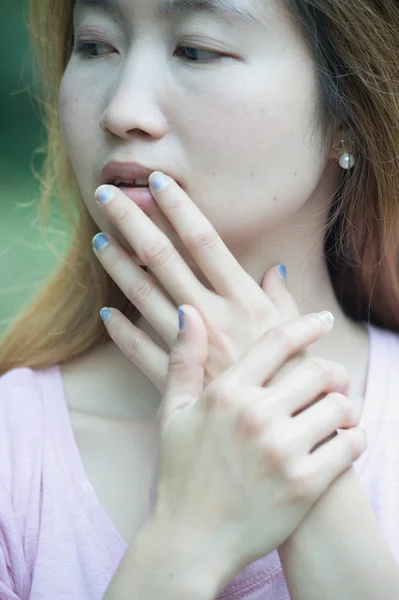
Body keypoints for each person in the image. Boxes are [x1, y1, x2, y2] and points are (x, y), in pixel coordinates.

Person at [0, 0, 399, 598]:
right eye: (94, 45)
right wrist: (186, 542)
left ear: (348, 115)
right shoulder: (14, 450)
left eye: (197, 50)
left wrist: (313, 486)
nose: (122, 111)